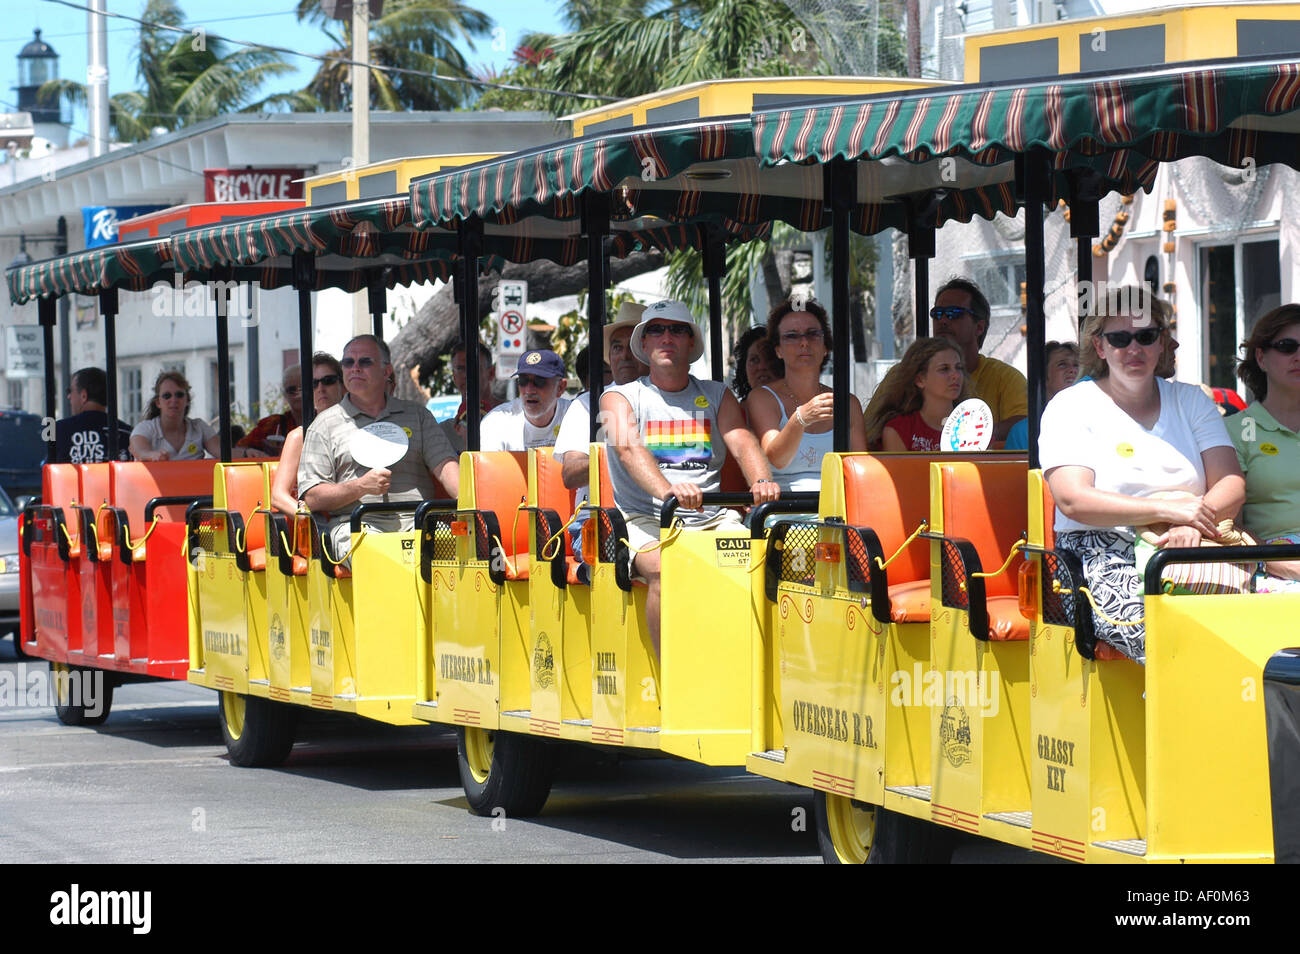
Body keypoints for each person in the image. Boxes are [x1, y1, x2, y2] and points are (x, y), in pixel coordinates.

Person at [1039, 287, 1244, 664]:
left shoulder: (1191, 400)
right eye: (1119, 338)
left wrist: (1195, 522)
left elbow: (1230, 482)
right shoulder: (1071, 406)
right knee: (1170, 638)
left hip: (1194, 542)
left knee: (1265, 619)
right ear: (1099, 347)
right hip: (1099, 551)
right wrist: (1167, 510)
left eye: (1146, 336)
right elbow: (1073, 499)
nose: (1134, 349)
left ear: (1162, 343)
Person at [599, 300, 780, 655]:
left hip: (712, 516)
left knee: (759, 561)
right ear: (645, 344)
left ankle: (743, 668)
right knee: (664, 569)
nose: (667, 337)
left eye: (677, 329)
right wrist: (669, 492)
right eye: (656, 330)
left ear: (691, 342)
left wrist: (761, 480)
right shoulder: (615, 397)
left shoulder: (717, 394)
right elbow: (628, 449)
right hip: (644, 519)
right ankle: (673, 681)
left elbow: (742, 442)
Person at [298, 335, 460, 559]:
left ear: (386, 372)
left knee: (462, 552)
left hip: (421, 524)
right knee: (378, 558)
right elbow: (313, 498)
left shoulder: (417, 415)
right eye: (348, 363)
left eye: (365, 362)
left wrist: (473, 501)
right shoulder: (324, 425)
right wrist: (361, 486)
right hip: (356, 526)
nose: (354, 368)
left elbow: (446, 466)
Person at [864, 278, 1028, 443]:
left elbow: (1025, 426)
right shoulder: (902, 374)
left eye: (953, 314)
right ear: (919, 379)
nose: (942, 320)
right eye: (937, 314)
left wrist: (974, 434)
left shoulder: (1006, 378)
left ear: (979, 327)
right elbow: (869, 431)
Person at [554, 302, 649, 559]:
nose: (624, 355)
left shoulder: (671, 403)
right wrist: (627, 455)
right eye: (617, 347)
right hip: (597, 520)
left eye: (632, 346)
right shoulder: (587, 404)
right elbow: (570, 474)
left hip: (661, 515)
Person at [746, 298, 866, 490]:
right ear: (778, 350)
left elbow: (861, 469)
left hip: (839, 511)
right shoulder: (762, 398)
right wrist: (800, 419)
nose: (804, 342)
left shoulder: (848, 403)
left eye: (813, 334)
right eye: (792, 336)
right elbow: (777, 459)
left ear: (825, 347)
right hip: (782, 513)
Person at [1228, 304, 1300, 589]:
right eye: (1286, 346)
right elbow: (1229, 526)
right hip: (1271, 566)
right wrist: (1274, 560)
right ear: (1261, 357)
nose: (1298, 355)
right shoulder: (1236, 431)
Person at [270, 353, 346, 517]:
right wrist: (308, 521)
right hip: (320, 527)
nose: (321, 388)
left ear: (343, 385)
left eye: (328, 381)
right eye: (313, 384)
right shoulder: (299, 436)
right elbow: (278, 496)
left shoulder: (359, 429)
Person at [864, 337, 971, 452]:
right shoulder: (899, 430)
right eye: (944, 369)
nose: (956, 375)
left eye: (959, 368)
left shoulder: (975, 424)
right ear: (920, 380)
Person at [479, 350, 572, 452]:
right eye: (523, 381)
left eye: (539, 381)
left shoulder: (576, 416)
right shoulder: (496, 423)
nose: (529, 390)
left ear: (560, 388)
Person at [129, 371, 222, 461]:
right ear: (158, 402)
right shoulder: (145, 428)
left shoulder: (199, 427)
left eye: (179, 395)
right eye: (167, 396)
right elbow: (139, 451)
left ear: (187, 400)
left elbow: (226, 454)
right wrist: (152, 455)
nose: (173, 400)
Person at [1004, 341, 1080, 450]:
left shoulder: (1095, 421)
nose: (1073, 370)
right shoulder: (1023, 431)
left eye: (1076, 365)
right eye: (1062, 364)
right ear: (1043, 375)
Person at [55, 367, 133, 463]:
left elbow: (45, 469)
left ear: (84, 395)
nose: (69, 396)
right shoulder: (128, 433)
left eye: (70, 391)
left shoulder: (58, 430)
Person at [442, 338, 501, 454]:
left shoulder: (512, 417)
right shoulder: (443, 433)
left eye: (474, 367)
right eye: (460, 369)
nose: (467, 375)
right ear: (454, 376)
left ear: (491, 373)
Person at [237, 365, 303, 458]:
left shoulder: (326, 421)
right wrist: (250, 452)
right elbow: (238, 449)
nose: (299, 394)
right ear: (284, 394)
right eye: (292, 390)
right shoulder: (273, 424)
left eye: (304, 387)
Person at [731, 325, 781, 403]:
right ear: (744, 367)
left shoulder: (800, 410)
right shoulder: (734, 412)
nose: (762, 366)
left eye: (769, 358)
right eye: (754, 360)